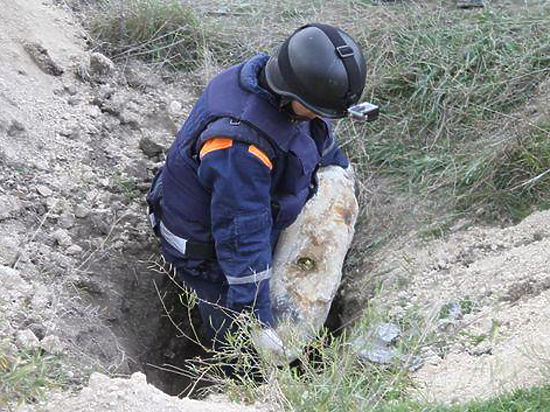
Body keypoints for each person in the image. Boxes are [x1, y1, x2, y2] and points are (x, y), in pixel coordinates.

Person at [147, 23, 366, 360]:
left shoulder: (272, 80)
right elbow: (240, 240)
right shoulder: (238, 147)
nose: (323, 118)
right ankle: (234, 377)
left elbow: (312, 131)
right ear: (294, 95)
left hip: (242, 210)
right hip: (208, 252)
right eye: (319, 109)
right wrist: (256, 321)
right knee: (240, 348)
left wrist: (337, 163)